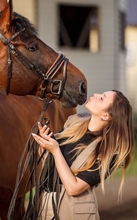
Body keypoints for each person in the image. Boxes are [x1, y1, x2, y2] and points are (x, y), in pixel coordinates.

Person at [31, 90, 135, 220]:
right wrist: (45, 142)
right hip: (44, 204)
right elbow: (50, 161)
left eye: (102, 98)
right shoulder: (74, 122)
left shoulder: (109, 153)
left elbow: (73, 188)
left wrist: (56, 151)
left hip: (72, 212)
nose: (96, 94)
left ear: (106, 116)